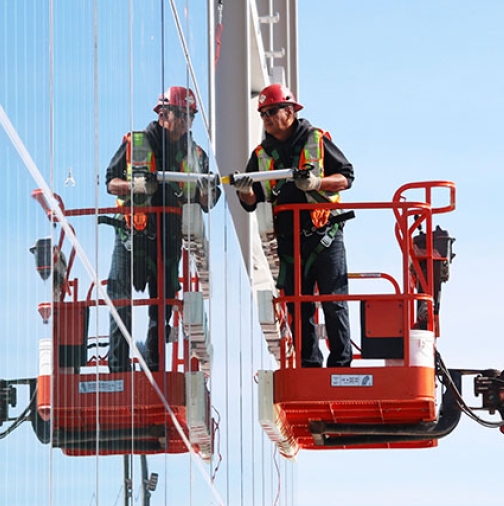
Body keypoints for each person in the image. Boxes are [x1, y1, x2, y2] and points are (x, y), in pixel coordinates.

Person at [234, 83, 355, 368]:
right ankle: (309, 366)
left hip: (325, 235)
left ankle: (341, 364)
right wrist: (244, 190)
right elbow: (251, 201)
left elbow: (346, 177)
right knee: (298, 306)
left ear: (289, 111)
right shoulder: (261, 155)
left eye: (271, 111)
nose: (266, 118)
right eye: (263, 113)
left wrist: (317, 183)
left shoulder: (316, 140)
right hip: (290, 241)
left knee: (334, 302)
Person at [105, 86, 219, 373]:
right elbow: (111, 183)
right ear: (162, 114)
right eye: (179, 114)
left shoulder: (196, 155)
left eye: (189, 116)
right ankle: (118, 367)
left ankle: (155, 368)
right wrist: (134, 186)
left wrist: (207, 189)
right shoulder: (136, 143)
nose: (184, 121)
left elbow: (209, 200)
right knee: (119, 298)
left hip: (168, 240)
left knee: (162, 307)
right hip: (132, 236)